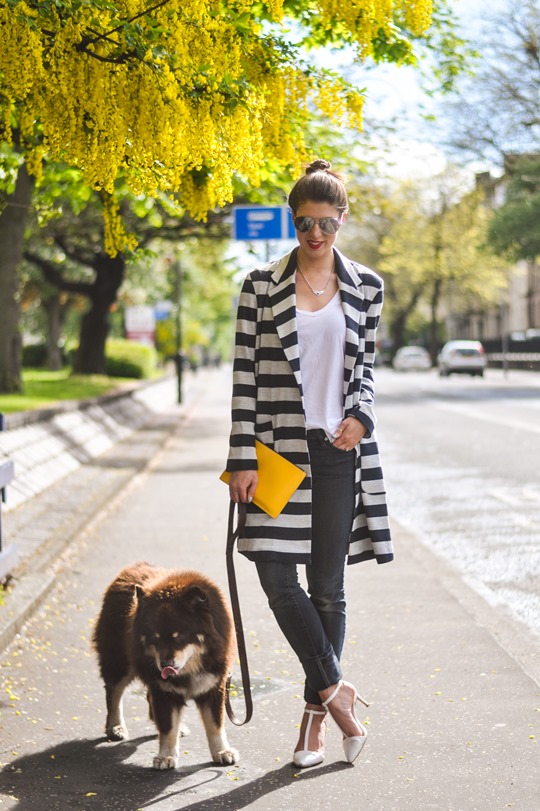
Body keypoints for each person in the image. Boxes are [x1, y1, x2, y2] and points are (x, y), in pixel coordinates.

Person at [225, 159, 393, 768]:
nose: (316, 234)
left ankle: (314, 723)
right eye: (304, 223)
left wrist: (363, 415)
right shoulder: (258, 286)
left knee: (327, 588)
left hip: (338, 451)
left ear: (342, 219)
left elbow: (365, 370)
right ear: (291, 221)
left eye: (326, 222)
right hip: (274, 454)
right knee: (274, 576)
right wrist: (241, 456)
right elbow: (244, 377)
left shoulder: (367, 287)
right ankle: (336, 688)